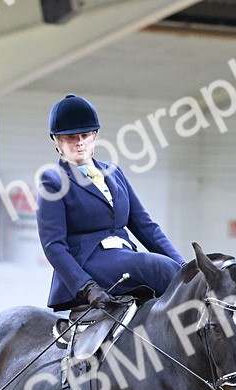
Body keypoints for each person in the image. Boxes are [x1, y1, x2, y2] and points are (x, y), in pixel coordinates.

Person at [37, 94, 184, 311]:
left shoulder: (114, 172)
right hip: (88, 263)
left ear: (95, 136)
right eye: (70, 138)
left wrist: (184, 266)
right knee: (157, 267)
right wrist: (86, 286)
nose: (79, 143)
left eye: (85, 135)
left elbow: (145, 226)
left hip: (124, 257)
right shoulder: (52, 181)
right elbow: (53, 246)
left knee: (169, 270)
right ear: (57, 141)